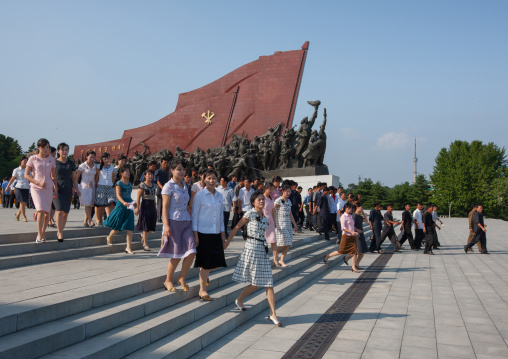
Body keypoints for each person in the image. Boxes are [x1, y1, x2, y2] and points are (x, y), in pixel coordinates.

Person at [225, 191, 283, 327]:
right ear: (253, 202)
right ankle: (239, 300)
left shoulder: (264, 217)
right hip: (251, 248)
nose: (262, 201)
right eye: (259, 200)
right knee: (257, 283)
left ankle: (273, 313)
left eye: (263, 199)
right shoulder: (250, 213)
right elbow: (237, 227)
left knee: (269, 282)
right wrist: (227, 242)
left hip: (262, 249)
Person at [157, 160, 196, 292]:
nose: (182, 172)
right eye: (179, 169)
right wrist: (166, 225)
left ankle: (181, 276)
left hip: (186, 221)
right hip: (173, 221)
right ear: (172, 170)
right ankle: (168, 280)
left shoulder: (185, 185)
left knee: (191, 251)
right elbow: (165, 207)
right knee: (176, 253)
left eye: (184, 169)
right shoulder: (169, 186)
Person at [192, 169, 227, 301]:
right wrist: (195, 235)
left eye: (214, 178)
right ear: (204, 180)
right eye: (209, 178)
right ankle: (202, 290)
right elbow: (194, 216)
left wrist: (223, 233)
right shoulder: (199, 196)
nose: (212, 181)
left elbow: (220, 216)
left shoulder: (219, 195)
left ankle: (204, 275)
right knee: (206, 264)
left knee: (215, 262)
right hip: (203, 233)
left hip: (216, 232)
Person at [24, 138, 58, 243]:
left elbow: (53, 176)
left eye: (47, 147)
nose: (46, 149)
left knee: (47, 212)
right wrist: (37, 182)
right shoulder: (32, 159)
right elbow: (26, 175)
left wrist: (55, 188)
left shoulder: (52, 160)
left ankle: (43, 232)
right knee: (40, 210)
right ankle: (39, 234)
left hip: (48, 187)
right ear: (38, 148)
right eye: (44, 147)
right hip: (36, 187)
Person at [103, 166, 136, 253]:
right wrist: (123, 202)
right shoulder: (119, 183)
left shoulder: (129, 183)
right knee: (118, 225)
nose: (128, 173)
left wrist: (133, 202)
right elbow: (118, 195)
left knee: (130, 227)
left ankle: (128, 247)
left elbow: (129, 195)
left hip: (129, 206)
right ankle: (109, 237)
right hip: (121, 206)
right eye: (126, 171)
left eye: (128, 171)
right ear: (121, 173)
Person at [53, 143, 79, 241]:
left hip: (68, 189)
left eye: (66, 150)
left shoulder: (71, 163)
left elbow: (74, 177)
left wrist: (77, 189)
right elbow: (52, 176)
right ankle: (60, 232)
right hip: (57, 189)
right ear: (58, 151)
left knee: (65, 213)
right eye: (63, 150)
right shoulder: (54, 162)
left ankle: (61, 230)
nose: (65, 152)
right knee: (59, 211)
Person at [324, 202, 360, 272]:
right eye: (350, 208)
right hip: (346, 236)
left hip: (352, 237)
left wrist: (356, 231)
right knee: (341, 251)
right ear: (346, 208)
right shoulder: (343, 216)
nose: (351, 210)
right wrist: (351, 232)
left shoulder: (350, 216)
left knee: (354, 252)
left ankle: (353, 267)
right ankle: (328, 256)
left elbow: (352, 226)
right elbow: (343, 228)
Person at [273, 185, 298, 267]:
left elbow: (290, 214)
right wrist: (274, 221)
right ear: (283, 191)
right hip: (280, 223)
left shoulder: (289, 201)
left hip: (288, 223)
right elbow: (273, 210)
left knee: (288, 243)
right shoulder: (278, 200)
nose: (288, 193)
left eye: (289, 191)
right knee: (281, 242)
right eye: (287, 191)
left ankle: (282, 260)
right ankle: (275, 256)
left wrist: (294, 224)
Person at [135, 170, 157, 251]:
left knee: (151, 226)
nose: (150, 176)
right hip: (145, 205)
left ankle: (142, 235)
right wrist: (137, 207)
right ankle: (145, 244)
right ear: (145, 176)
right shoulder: (142, 185)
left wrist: (155, 207)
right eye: (148, 174)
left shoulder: (154, 185)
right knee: (145, 225)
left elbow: (154, 197)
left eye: (151, 174)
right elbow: (138, 197)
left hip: (152, 205)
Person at [94, 152, 116, 227]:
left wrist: (113, 184)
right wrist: (96, 185)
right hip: (101, 186)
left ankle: (109, 219)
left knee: (112, 203)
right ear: (102, 159)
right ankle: (99, 220)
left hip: (110, 187)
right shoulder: (99, 166)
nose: (106, 160)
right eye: (104, 159)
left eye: (107, 158)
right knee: (100, 205)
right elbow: (96, 177)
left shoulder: (112, 167)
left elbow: (113, 177)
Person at [6, 156, 30, 222]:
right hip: (19, 187)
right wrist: (8, 187)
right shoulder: (16, 170)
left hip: (26, 187)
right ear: (20, 162)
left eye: (26, 161)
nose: (25, 162)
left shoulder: (28, 169)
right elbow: (12, 179)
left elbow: (31, 178)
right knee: (22, 202)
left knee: (24, 203)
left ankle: (18, 214)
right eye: (24, 161)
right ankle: (24, 216)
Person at [77, 150, 97, 227]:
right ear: (87, 157)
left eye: (93, 157)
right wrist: (75, 186)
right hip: (84, 186)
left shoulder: (95, 166)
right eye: (90, 157)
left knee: (91, 204)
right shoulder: (83, 166)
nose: (92, 159)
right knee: (87, 204)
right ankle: (91, 220)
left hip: (92, 186)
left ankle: (85, 220)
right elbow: (77, 176)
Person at [262, 182, 279, 266]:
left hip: (271, 221)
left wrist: (274, 221)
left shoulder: (271, 199)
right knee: (264, 242)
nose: (271, 191)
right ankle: (263, 259)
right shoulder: (261, 198)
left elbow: (273, 211)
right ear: (265, 188)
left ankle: (275, 259)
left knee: (274, 241)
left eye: (272, 189)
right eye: (270, 189)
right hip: (263, 221)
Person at [351, 203, 368, 269]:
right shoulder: (354, 216)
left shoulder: (359, 216)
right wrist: (357, 230)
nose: (362, 208)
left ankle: (357, 263)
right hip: (356, 235)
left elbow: (366, 220)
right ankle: (353, 263)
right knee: (358, 250)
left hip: (361, 234)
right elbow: (352, 225)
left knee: (363, 250)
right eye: (361, 207)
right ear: (357, 207)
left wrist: (363, 214)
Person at [154, 157, 170, 223]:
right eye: (164, 163)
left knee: (166, 204)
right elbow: (157, 181)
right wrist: (162, 188)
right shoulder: (158, 171)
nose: (166, 164)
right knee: (160, 204)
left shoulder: (168, 171)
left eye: (167, 163)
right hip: (161, 190)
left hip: (168, 190)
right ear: (161, 163)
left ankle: (166, 216)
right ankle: (159, 217)